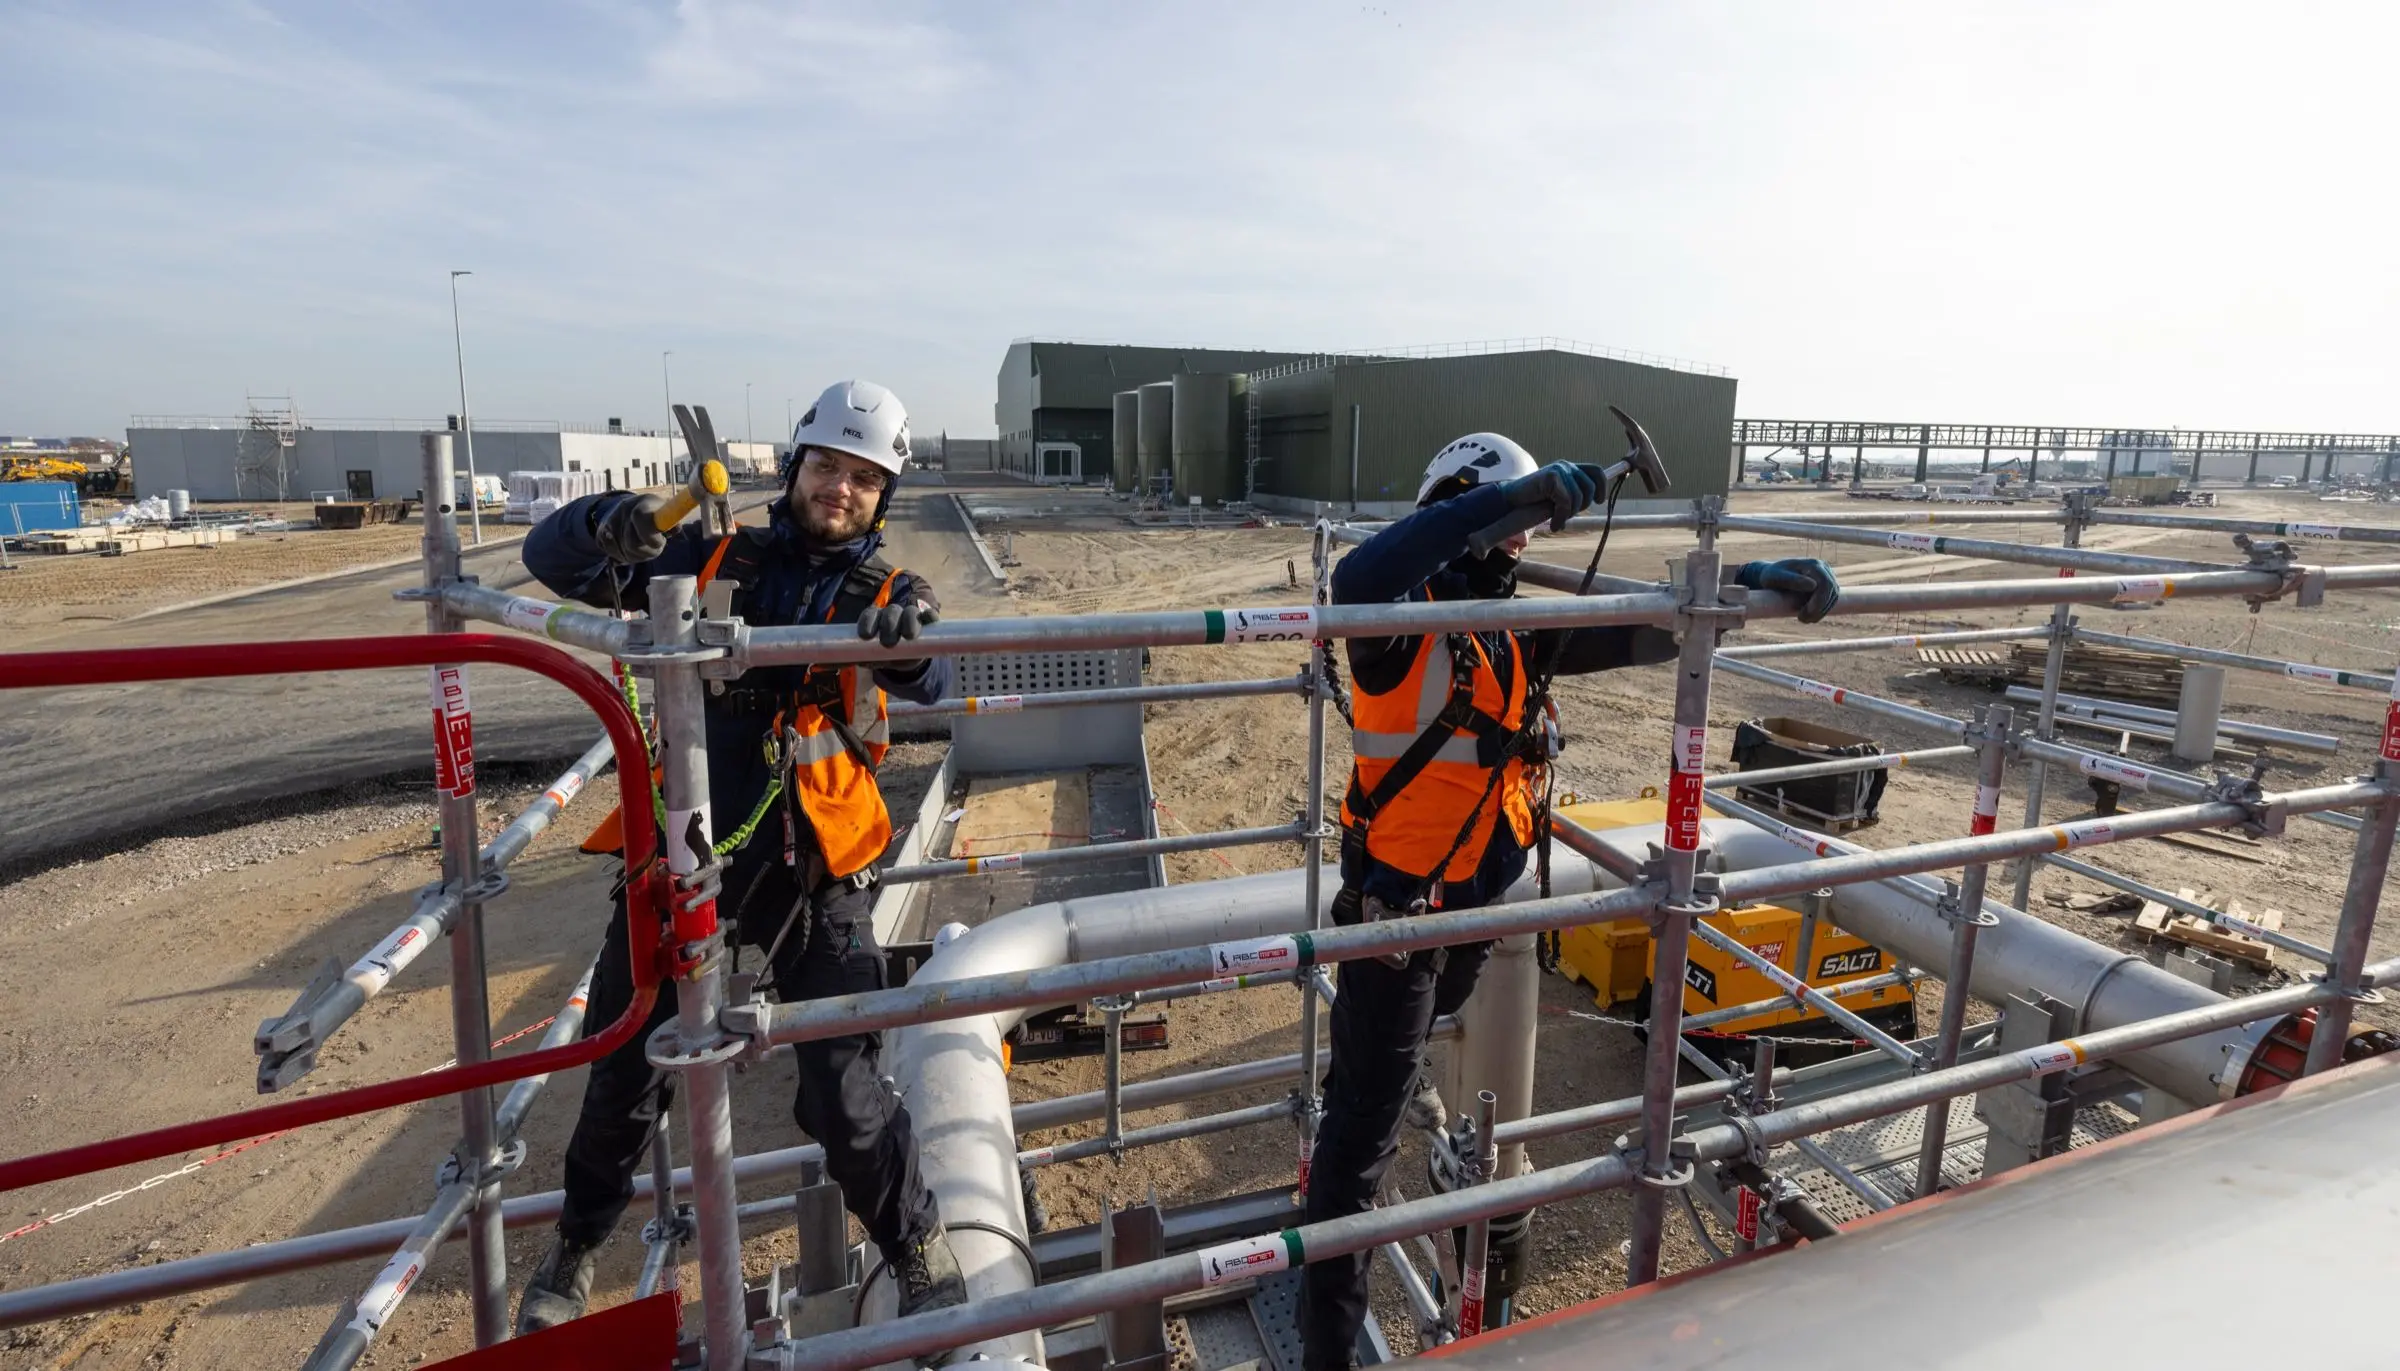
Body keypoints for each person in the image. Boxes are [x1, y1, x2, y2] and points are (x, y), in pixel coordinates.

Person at [1300, 434, 1839, 1368]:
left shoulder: (1501, 630)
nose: (1521, 542)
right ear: (1457, 510)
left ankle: (1357, 1081)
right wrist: (1518, 499)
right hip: (1400, 921)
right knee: (1355, 1158)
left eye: (1526, 526)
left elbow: (1640, 628)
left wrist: (1745, 587)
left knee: (1391, 1067)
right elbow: (1356, 577)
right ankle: (1327, 1353)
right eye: (1508, 522)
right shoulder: (1393, 627)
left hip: (1478, 913)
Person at [513, 380, 968, 1331]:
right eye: (828, 468)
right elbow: (545, 558)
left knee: (844, 1098)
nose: (840, 489)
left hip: (815, 868)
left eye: (863, 477)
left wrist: (909, 624)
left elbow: (931, 670)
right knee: (624, 1068)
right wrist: (615, 521)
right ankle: (577, 1246)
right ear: (796, 465)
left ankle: (913, 1242)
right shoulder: (709, 552)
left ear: (884, 495)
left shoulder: (881, 593)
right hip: (686, 855)